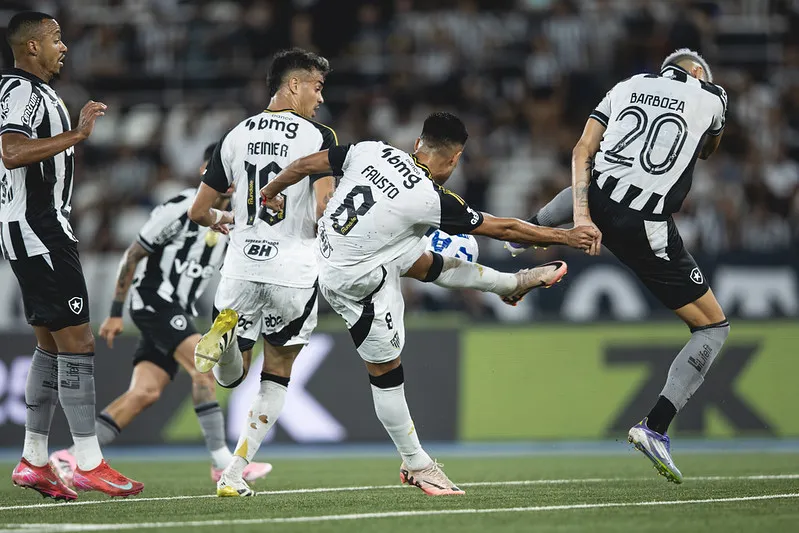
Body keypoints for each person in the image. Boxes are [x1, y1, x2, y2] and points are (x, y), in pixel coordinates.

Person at [260, 112, 598, 495]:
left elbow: (306, 164)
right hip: (356, 284)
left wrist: (270, 191)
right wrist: (568, 237)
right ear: (454, 160)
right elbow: (505, 228)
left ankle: (510, 284)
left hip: (339, 248)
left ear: (417, 143)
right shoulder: (429, 199)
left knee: (419, 254)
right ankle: (416, 463)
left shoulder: (370, 150)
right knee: (386, 372)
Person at [507, 49, 730, 484]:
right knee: (713, 328)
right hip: (644, 225)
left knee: (592, 182)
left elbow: (581, 151)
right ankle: (655, 427)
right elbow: (708, 150)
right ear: (698, 72)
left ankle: (513, 241)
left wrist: (583, 216)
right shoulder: (712, 95)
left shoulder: (626, 85)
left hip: (598, 199)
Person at [48, 145, 272, 487]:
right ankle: (222, 464)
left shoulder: (236, 221)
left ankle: (71, 457)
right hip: (155, 301)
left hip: (178, 309)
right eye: (222, 171)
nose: (229, 180)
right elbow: (134, 253)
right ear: (205, 172)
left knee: (145, 393)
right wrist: (115, 312)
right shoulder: (181, 207)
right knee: (205, 366)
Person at [0, 11, 142, 500]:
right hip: (40, 233)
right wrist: (77, 136)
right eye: (56, 39)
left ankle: (34, 460)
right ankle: (88, 461)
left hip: (30, 230)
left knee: (51, 346)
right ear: (32, 47)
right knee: (78, 345)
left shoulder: (31, 92)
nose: (64, 46)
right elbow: (12, 152)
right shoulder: (19, 91)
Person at [187, 48, 337, 497]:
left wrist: (226, 220)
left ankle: (226, 338)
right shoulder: (319, 135)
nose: (320, 98)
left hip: (240, 266)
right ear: (294, 85)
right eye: (317, 86)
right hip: (292, 268)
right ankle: (234, 475)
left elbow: (199, 211)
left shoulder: (234, 135)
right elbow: (324, 208)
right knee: (277, 374)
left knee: (230, 377)